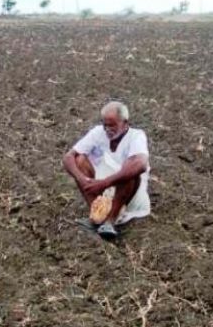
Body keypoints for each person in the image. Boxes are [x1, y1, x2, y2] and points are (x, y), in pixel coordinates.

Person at [62, 101, 151, 238]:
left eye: (112, 125)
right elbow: (69, 157)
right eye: (105, 125)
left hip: (127, 192)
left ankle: (110, 221)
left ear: (125, 122)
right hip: (102, 188)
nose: (108, 129)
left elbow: (141, 164)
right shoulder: (98, 132)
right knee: (79, 159)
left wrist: (104, 183)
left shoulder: (136, 136)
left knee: (129, 170)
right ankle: (98, 215)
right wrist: (83, 180)